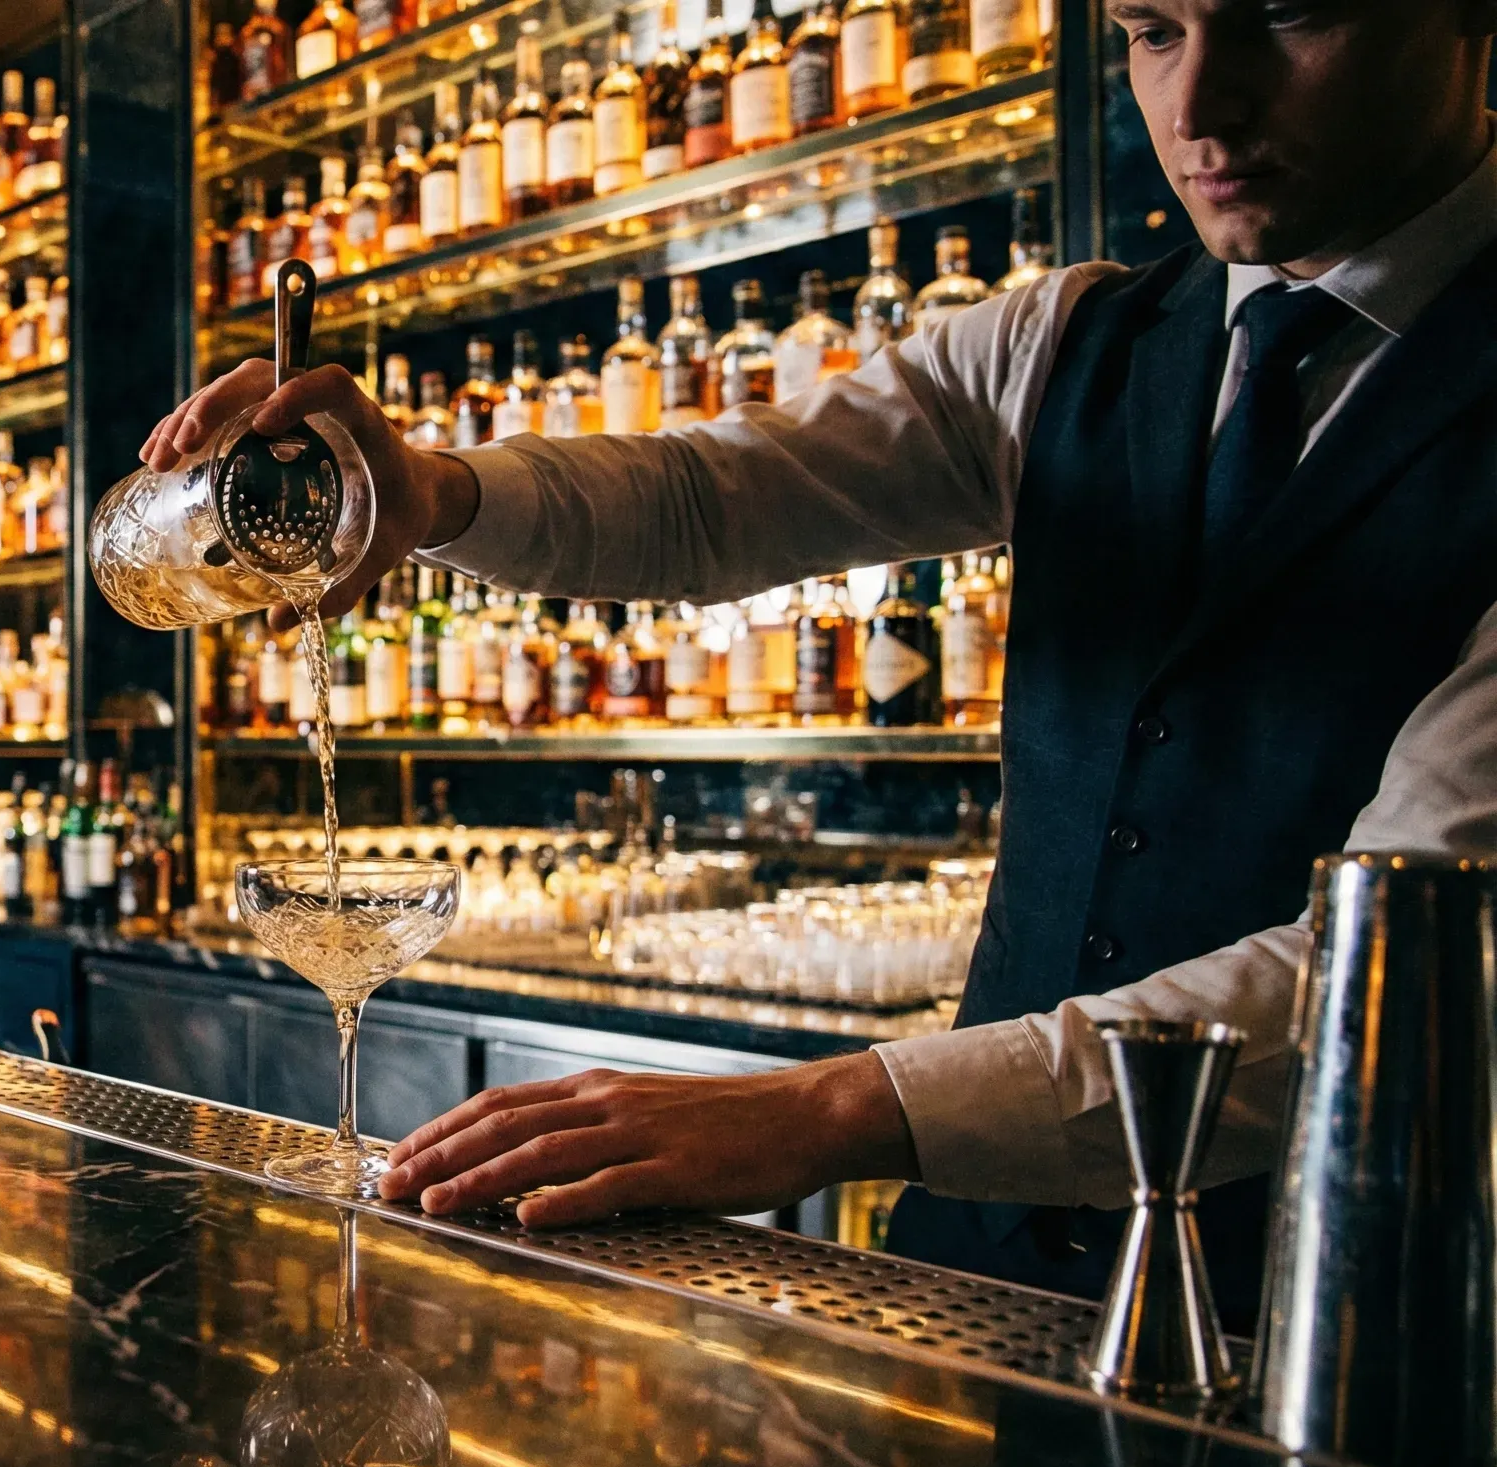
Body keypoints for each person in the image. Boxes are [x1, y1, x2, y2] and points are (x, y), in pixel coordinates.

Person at [138, 0, 1497, 1321]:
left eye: (1292, 16)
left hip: (1358, 1303)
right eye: (1151, 33)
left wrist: (835, 1106)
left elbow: (1403, 968)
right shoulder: (1070, 341)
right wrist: (437, 497)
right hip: (983, 1262)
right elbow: (712, 499)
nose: (1200, 103)